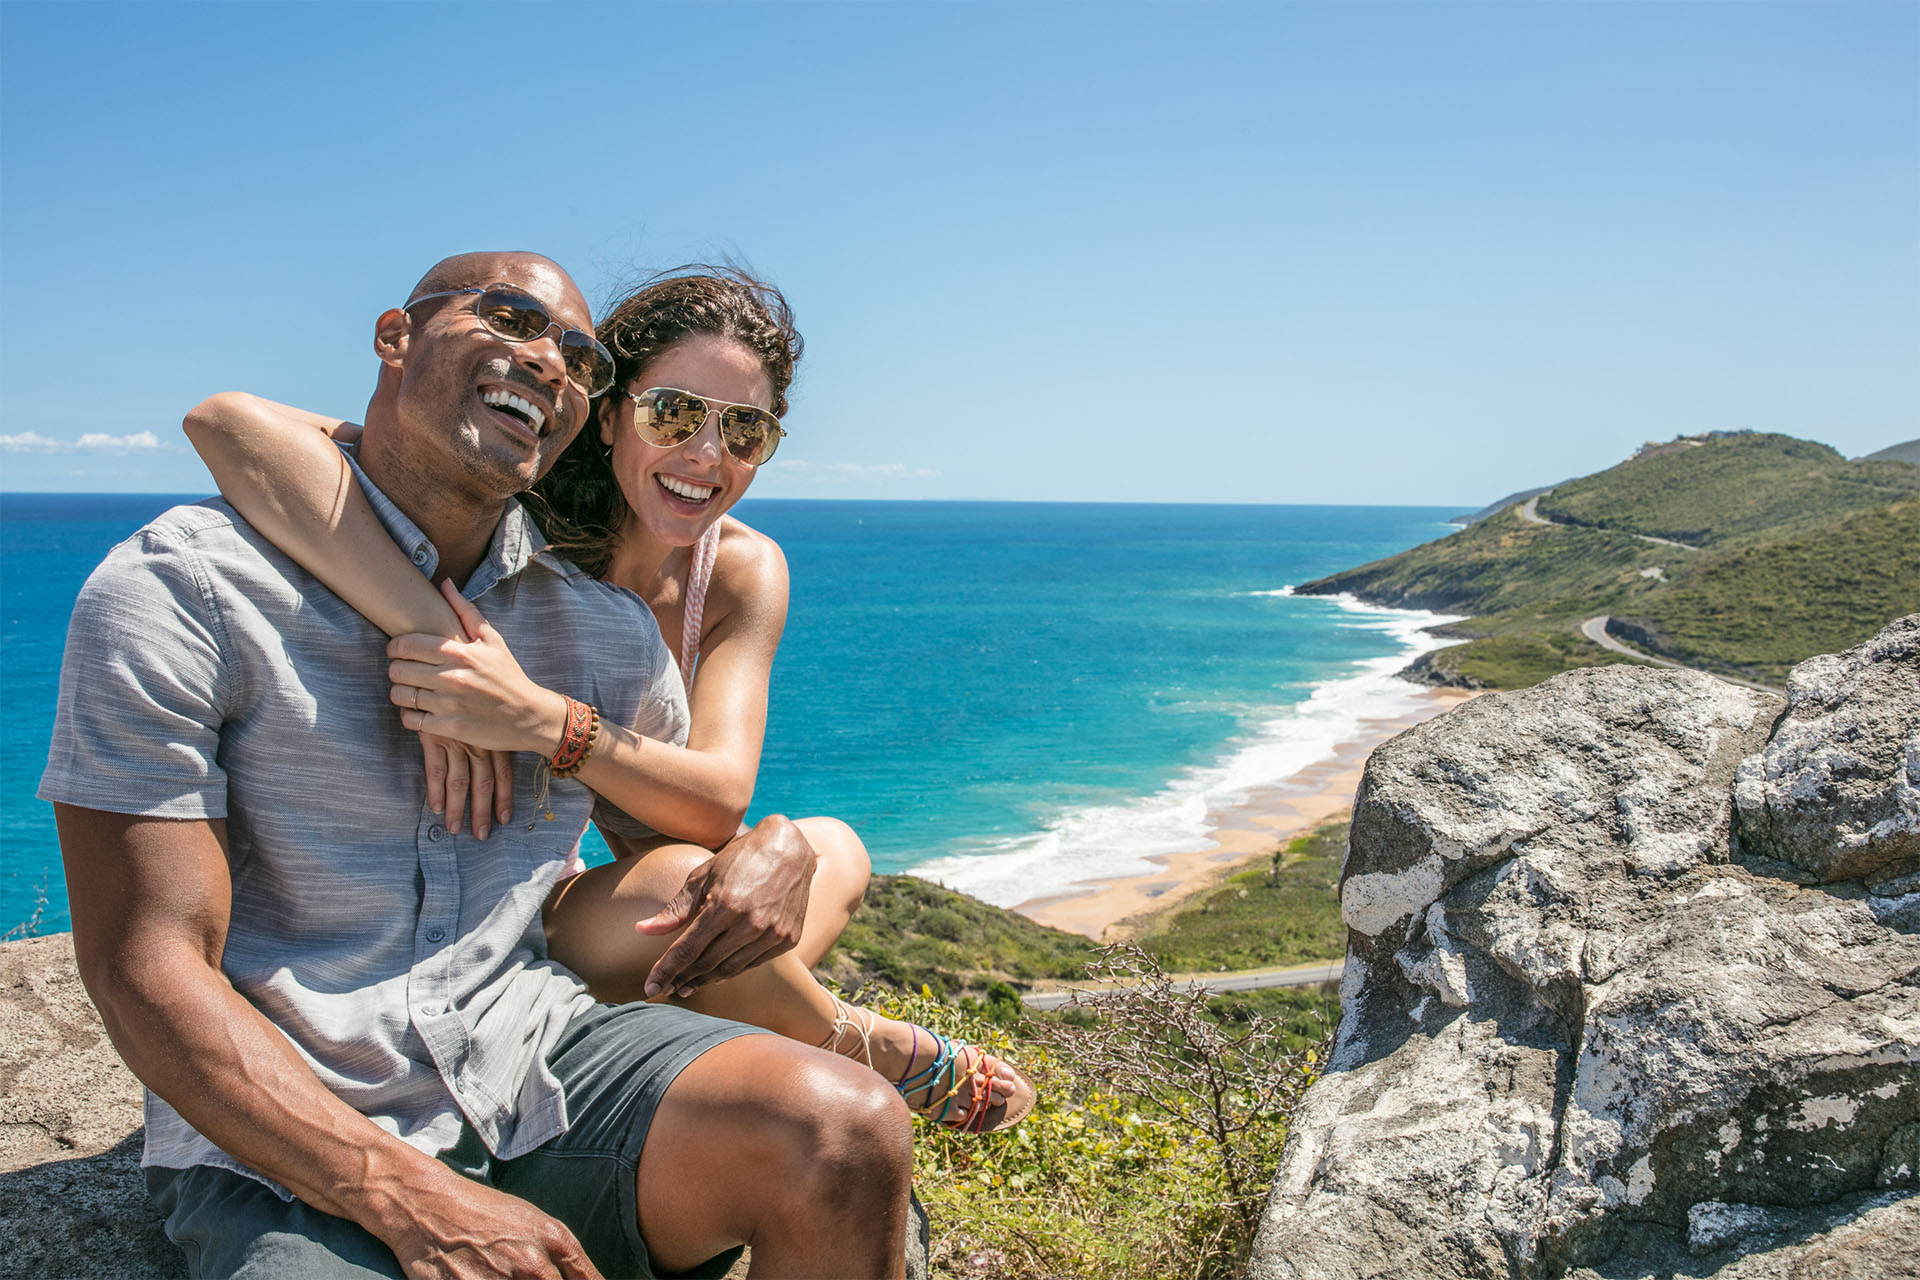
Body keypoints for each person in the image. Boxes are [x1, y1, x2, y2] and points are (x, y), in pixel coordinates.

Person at [42, 251, 917, 1279]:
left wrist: (765, 841)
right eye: (509, 318)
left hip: (535, 1058)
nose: (547, 358)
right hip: (298, 1134)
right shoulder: (185, 591)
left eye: (578, 355)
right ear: (394, 337)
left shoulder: (605, 631)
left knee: (846, 1130)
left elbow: (673, 844)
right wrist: (411, 1197)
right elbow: (143, 968)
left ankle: (856, 1045)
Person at [182, 266, 1036, 1133]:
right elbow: (226, 424)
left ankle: (699, 1017)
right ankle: (867, 1046)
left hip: (609, 890)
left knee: (828, 849)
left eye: (745, 429)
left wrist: (538, 719)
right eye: (673, 413)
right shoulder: (513, 498)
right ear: (611, 409)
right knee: (681, 888)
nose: (707, 456)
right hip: (497, 911)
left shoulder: (740, 569)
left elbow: (713, 799)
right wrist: (445, 636)